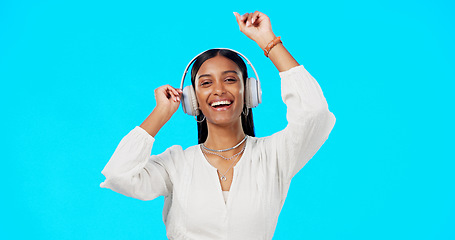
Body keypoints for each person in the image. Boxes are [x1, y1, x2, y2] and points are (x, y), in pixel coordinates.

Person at [100, 11, 336, 240]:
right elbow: (118, 175)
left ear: (250, 93)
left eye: (230, 79)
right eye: (206, 83)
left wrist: (268, 42)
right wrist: (160, 113)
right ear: (193, 101)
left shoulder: (275, 155)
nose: (219, 90)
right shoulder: (176, 164)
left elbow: (315, 113)